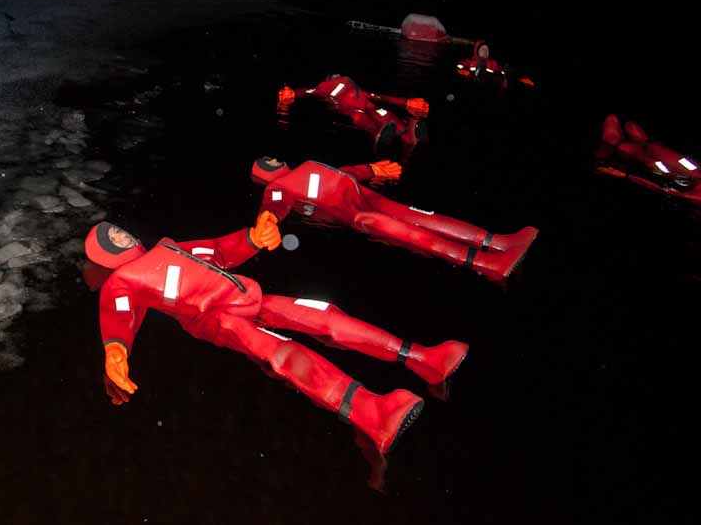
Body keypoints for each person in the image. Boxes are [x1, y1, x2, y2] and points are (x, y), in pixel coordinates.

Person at [85, 214, 469, 454]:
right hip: (219, 320)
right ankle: (371, 413)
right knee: (281, 352)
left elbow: (215, 251)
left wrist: (252, 237)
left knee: (324, 316)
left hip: (247, 296)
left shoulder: (168, 248)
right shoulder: (123, 281)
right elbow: (118, 313)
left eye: (118, 230)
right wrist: (115, 351)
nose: (121, 235)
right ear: (104, 254)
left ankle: (423, 358)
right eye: (112, 238)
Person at [251, 156, 538, 283]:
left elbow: (339, 173)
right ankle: (487, 263)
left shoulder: (302, 170)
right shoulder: (278, 188)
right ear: (264, 174)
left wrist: (372, 169)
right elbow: (274, 205)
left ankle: (497, 241)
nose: (272, 159)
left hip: (368, 197)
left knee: (422, 217)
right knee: (411, 233)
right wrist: (268, 221)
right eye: (267, 162)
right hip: (359, 214)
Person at [278, 74, 429, 153]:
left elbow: (378, 97)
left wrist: (405, 102)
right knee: (360, 116)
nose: (339, 76)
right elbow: (308, 91)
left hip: (368, 106)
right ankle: (379, 134)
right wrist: (293, 93)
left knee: (383, 113)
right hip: (355, 111)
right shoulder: (325, 89)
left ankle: (408, 136)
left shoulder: (355, 88)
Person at [595, 115, 700, 204]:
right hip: (693, 175)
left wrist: (625, 176)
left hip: (679, 187)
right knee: (685, 163)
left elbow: (665, 191)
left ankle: (614, 143)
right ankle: (646, 143)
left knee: (656, 166)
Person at [456, 41, 535, 88]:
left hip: (490, 90)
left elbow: (503, 73)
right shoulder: (468, 62)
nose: (485, 51)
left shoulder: (493, 63)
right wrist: (470, 75)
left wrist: (507, 73)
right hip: (471, 88)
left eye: (487, 50)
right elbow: (458, 70)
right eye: (483, 49)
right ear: (477, 51)